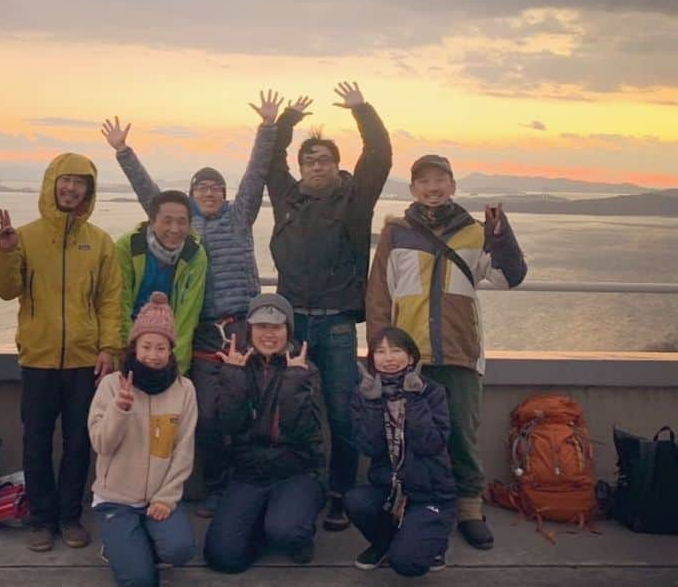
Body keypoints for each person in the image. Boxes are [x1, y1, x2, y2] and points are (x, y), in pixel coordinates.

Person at [102, 90, 282, 515]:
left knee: (247, 410)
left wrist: (268, 127)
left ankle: (244, 486)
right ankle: (215, 485)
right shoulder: (185, 231)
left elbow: (255, 175)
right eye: (202, 188)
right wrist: (124, 152)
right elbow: (151, 196)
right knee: (205, 415)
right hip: (202, 331)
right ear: (191, 195)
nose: (210, 192)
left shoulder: (240, 217)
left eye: (216, 187)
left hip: (244, 328)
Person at [366, 154, 527, 549]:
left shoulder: (475, 232)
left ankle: (469, 508)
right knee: (402, 435)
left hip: (460, 351)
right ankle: (405, 504)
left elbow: (510, 278)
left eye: (440, 180)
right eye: (424, 181)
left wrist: (502, 235)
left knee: (462, 433)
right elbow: (379, 297)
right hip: (408, 354)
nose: (432, 188)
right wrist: (379, 352)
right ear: (413, 189)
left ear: (453, 185)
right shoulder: (396, 232)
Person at [267, 81, 392, 531]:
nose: (316, 166)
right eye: (309, 160)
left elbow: (379, 157)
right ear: (300, 167)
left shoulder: (354, 199)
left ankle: (340, 492)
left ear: (338, 166)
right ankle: (297, 486)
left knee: (341, 412)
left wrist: (363, 110)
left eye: (324, 159)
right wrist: (284, 124)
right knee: (289, 407)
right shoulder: (287, 196)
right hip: (291, 324)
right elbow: (268, 161)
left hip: (337, 324)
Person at [0, 153, 124, 552]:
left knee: (79, 442)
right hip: (38, 357)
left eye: (79, 183)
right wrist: (8, 251)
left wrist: (109, 347)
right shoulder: (27, 236)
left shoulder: (99, 242)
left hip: (86, 360)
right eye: (65, 181)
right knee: (36, 441)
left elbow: (110, 300)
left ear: (89, 190)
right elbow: (5, 289)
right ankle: (41, 519)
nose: (71, 188)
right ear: (52, 184)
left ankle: (70, 516)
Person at [203, 293, 326, 573]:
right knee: (223, 557)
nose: (268, 334)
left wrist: (294, 383)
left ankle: (296, 532)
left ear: (288, 331)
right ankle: (259, 521)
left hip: (296, 471)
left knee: (286, 531)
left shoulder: (305, 369)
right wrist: (232, 376)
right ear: (250, 330)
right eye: (261, 327)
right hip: (250, 471)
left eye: (276, 327)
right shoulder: (237, 365)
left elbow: (303, 433)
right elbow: (228, 427)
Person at [88, 292, 198, 587]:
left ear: (171, 350)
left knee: (180, 551)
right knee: (137, 581)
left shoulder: (184, 389)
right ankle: (118, 544)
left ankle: (143, 537)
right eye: (146, 346)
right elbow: (102, 444)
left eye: (161, 347)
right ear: (134, 347)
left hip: (158, 498)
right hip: (117, 499)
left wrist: (167, 496)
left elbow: (183, 449)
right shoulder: (113, 385)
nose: (153, 354)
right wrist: (119, 410)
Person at [346, 326, 456, 576]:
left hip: (430, 491)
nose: (388, 358)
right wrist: (373, 404)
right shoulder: (364, 393)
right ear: (372, 358)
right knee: (355, 501)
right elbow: (369, 447)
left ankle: (433, 541)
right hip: (390, 487)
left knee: (407, 563)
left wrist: (414, 399)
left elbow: (432, 444)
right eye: (380, 351)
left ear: (411, 356)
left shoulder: (432, 391)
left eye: (396, 350)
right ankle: (384, 543)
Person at [116, 189, 207, 374]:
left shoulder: (195, 255)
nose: (174, 229)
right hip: (131, 343)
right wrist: (129, 356)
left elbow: (187, 317)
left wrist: (175, 370)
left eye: (182, 222)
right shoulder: (129, 246)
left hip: (167, 344)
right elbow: (120, 304)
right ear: (152, 220)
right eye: (167, 221)